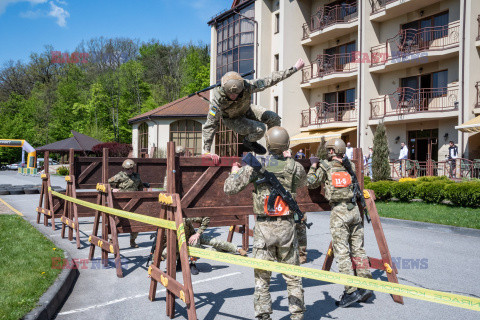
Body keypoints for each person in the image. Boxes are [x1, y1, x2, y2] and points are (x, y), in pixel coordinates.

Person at [224, 126, 306, 320]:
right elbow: (303, 183)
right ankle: (297, 315)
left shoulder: (256, 165)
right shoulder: (295, 166)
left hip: (264, 228)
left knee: (262, 277)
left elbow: (229, 188)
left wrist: (234, 172)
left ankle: (263, 315)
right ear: (286, 144)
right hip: (287, 227)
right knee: (293, 276)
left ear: (267, 144)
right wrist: (288, 160)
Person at [307, 138, 373, 308]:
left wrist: (314, 166)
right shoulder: (349, 164)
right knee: (359, 249)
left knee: (342, 252)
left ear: (331, 151)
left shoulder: (326, 166)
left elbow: (311, 182)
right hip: (354, 212)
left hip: (340, 212)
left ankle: (350, 291)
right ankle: (365, 285)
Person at [203, 58, 305, 162]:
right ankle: (248, 141)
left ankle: (273, 152)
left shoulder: (248, 86)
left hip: (247, 110)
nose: (234, 96)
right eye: (230, 94)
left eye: (237, 94)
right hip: (232, 119)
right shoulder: (217, 102)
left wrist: (294, 68)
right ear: (225, 90)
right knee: (260, 129)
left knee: (274, 118)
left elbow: (270, 80)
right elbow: (210, 124)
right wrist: (206, 150)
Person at [162, 216, 247, 275]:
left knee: (215, 242)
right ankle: (180, 262)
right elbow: (160, 244)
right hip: (179, 244)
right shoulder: (165, 224)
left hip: (192, 237)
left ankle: (237, 249)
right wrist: (155, 262)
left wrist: (197, 234)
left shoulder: (184, 218)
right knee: (207, 251)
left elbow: (205, 219)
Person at [108, 159, 144, 248]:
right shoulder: (119, 176)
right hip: (121, 203)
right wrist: (113, 189)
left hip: (134, 202)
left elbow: (140, 186)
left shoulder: (137, 176)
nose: (130, 170)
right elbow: (106, 184)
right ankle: (112, 240)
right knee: (117, 222)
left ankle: (133, 240)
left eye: (132, 169)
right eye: (128, 169)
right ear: (124, 168)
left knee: (135, 222)